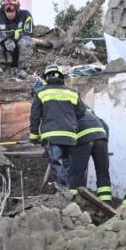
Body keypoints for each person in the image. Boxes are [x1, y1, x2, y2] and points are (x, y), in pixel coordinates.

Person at [29, 64, 86, 192]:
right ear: (61, 77)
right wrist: (69, 120)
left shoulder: (41, 93)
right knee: (67, 164)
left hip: (52, 136)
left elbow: (35, 116)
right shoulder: (72, 92)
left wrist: (33, 136)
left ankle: (63, 191)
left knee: (57, 163)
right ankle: (71, 192)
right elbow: (81, 112)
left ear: (46, 78)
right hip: (70, 136)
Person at [69, 109, 113, 202]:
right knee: (103, 171)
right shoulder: (87, 110)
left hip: (83, 136)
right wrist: (103, 147)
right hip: (101, 136)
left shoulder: (63, 107)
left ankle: (72, 202)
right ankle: (106, 202)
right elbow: (105, 125)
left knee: (77, 171)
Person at [0, 0, 34, 69]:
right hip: (5, 47)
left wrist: (15, 36)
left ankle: (23, 67)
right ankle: (2, 68)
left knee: (27, 41)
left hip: (20, 46)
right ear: (3, 9)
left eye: (12, 10)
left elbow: (29, 33)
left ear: (17, 8)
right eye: (7, 10)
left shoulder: (25, 15)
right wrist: (6, 40)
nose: (10, 13)